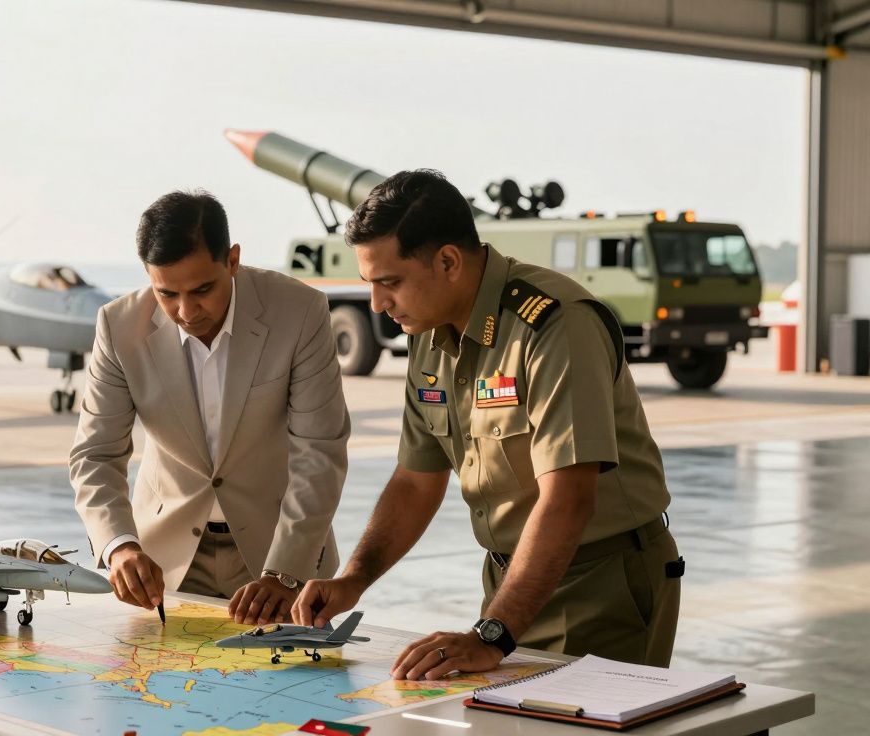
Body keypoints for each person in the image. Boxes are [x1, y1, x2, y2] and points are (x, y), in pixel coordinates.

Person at [293, 170, 682, 679]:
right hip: (511, 581)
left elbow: (567, 498)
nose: (377, 304)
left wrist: (492, 635)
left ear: (448, 262)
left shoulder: (555, 325)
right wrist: (353, 580)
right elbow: (414, 481)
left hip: (602, 584)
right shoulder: (429, 335)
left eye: (390, 282)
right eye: (371, 284)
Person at [71, 190, 350, 625]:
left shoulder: (300, 311)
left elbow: (319, 452)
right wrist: (119, 546)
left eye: (202, 290)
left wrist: (285, 573)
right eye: (167, 293)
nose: (186, 311)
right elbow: (95, 455)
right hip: (163, 563)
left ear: (233, 260)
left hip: (279, 555)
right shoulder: (118, 325)